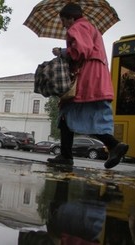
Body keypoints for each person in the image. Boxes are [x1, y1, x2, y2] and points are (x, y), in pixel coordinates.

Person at [47, 3, 128, 169]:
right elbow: (87, 48)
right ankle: (113, 145)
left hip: (86, 77)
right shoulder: (91, 28)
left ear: (71, 17)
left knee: (66, 112)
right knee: (90, 115)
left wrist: (62, 52)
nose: (63, 25)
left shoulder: (78, 27)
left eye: (64, 20)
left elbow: (81, 50)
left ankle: (67, 156)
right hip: (98, 76)